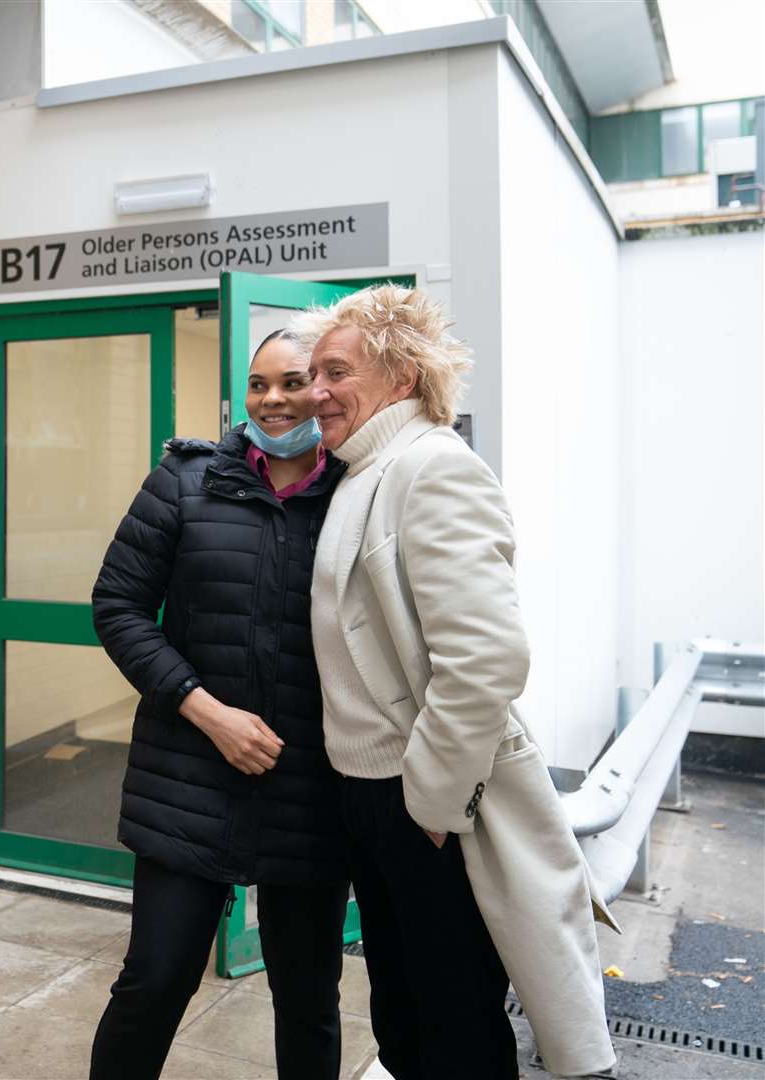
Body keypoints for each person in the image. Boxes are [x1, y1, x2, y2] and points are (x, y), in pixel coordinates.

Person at [294, 285, 614, 1079]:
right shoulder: (362, 470)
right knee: (406, 1022)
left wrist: (431, 802)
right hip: (370, 794)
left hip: (422, 799)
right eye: (313, 374)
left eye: (336, 371)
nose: (315, 392)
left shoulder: (431, 467)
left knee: (456, 1030)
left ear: (401, 377)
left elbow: (487, 656)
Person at [88, 330, 351, 1079]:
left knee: (308, 999)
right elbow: (118, 607)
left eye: (294, 382)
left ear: (326, 389)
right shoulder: (185, 481)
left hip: (311, 791)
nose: (273, 400)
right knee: (154, 981)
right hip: (188, 777)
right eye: (259, 384)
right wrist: (206, 711)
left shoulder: (358, 492)